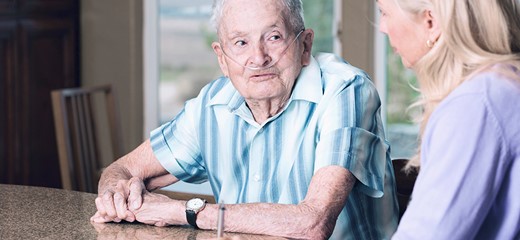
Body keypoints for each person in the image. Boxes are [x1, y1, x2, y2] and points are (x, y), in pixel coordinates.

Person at [91, 0, 399, 239]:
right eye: (240, 43)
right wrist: (116, 195)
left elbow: (313, 222)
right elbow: (123, 169)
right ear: (222, 59)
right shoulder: (211, 105)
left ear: (304, 46)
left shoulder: (345, 90)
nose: (258, 58)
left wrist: (183, 211)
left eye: (274, 37)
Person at [376, 0, 520, 239]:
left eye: (384, 12)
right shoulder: (501, 85)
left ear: (430, 21)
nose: (382, 27)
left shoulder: (476, 104)